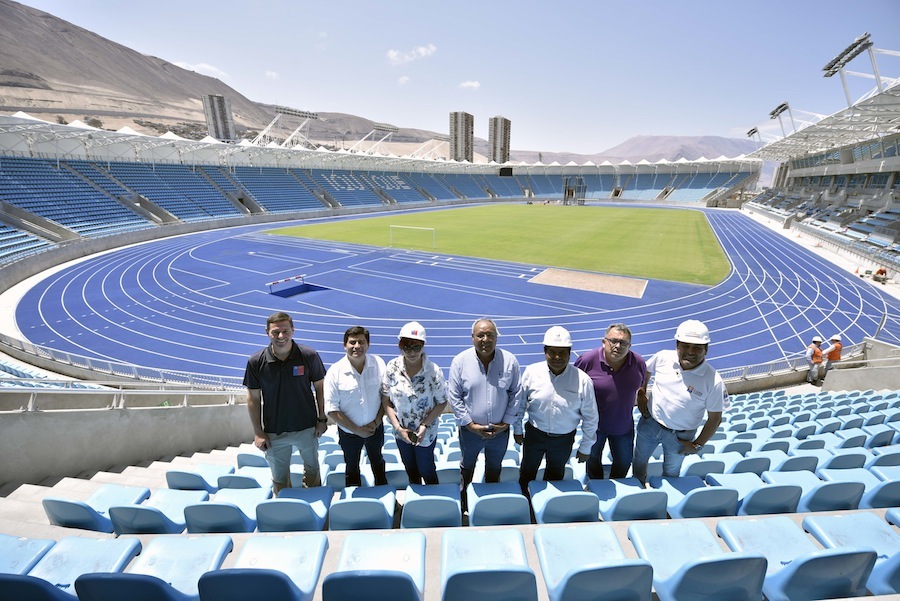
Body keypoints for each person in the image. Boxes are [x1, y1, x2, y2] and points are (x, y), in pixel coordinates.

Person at [632, 320, 727, 485]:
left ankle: (667, 497)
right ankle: (638, 487)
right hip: (650, 423)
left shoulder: (714, 381)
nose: (690, 352)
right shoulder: (663, 357)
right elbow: (646, 370)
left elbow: (715, 419)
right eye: (685, 346)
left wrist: (698, 444)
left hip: (681, 437)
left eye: (697, 347)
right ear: (677, 346)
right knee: (639, 460)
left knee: (671, 473)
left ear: (706, 349)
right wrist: (642, 391)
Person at [244, 311, 327, 494]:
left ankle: (313, 506)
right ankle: (285, 508)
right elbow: (253, 398)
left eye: (285, 331)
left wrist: (322, 420)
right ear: (267, 332)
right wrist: (258, 432)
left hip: (307, 427)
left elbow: (321, 389)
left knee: (313, 471)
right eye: (275, 332)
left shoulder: (309, 355)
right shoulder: (256, 362)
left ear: (293, 330)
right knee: (279, 479)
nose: (281, 336)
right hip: (274, 430)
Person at [514, 326, 598, 493]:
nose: (557, 357)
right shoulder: (531, 372)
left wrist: (586, 447)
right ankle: (526, 502)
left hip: (563, 440)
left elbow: (591, 417)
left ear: (569, 353)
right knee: (527, 473)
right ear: (545, 352)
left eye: (562, 352)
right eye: (552, 352)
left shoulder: (583, 380)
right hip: (534, 435)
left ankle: (548, 505)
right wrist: (517, 429)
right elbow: (520, 404)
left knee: (555, 477)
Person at [447, 318, 521, 506]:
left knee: (494, 468)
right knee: (467, 467)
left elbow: (516, 392)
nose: (485, 339)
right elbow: (454, 395)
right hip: (470, 432)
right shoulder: (460, 362)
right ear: (472, 337)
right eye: (480, 335)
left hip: (500, 432)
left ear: (496, 338)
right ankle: (464, 502)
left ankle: (490, 503)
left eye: (490, 335)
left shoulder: (509, 361)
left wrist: (506, 423)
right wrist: (469, 424)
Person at [574, 323, 647, 479]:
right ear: (604, 342)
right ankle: (596, 485)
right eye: (613, 341)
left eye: (623, 343)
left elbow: (642, 383)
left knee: (624, 462)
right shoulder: (587, 360)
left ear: (629, 346)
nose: (617, 346)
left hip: (623, 427)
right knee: (592, 460)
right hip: (594, 427)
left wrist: (642, 395)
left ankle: (617, 486)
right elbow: (573, 385)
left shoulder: (638, 363)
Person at [381, 321, 448, 485]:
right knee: (410, 469)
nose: (411, 352)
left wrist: (424, 425)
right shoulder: (391, 368)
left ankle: (434, 498)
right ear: (400, 346)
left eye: (416, 347)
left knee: (427, 469)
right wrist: (398, 428)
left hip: (426, 432)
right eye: (407, 347)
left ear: (423, 346)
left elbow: (441, 402)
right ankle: (416, 499)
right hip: (401, 432)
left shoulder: (433, 371)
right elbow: (386, 400)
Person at [324, 326, 387, 487]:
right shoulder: (334, 372)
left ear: (368, 344)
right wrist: (356, 430)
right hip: (349, 433)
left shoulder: (379, 364)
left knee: (378, 462)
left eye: (361, 342)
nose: (357, 346)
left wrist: (376, 422)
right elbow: (331, 409)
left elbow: (385, 397)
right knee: (351, 467)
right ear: (344, 345)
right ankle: (354, 499)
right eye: (352, 342)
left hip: (375, 428)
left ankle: (384, 494)